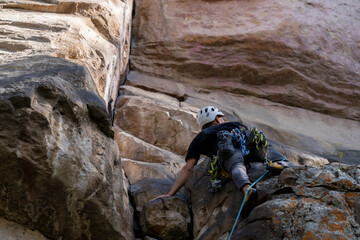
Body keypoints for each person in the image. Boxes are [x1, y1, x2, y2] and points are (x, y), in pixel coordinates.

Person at [153, 106, 294, 218]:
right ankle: (284, 163)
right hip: (247, 142)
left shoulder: (200, 137)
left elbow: (188, 168)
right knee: (264, 148)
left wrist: (170, 193)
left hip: (228, 149)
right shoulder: (235, 124)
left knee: (235, 165)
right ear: (217, 118)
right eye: (220, 117)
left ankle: (247, 190)